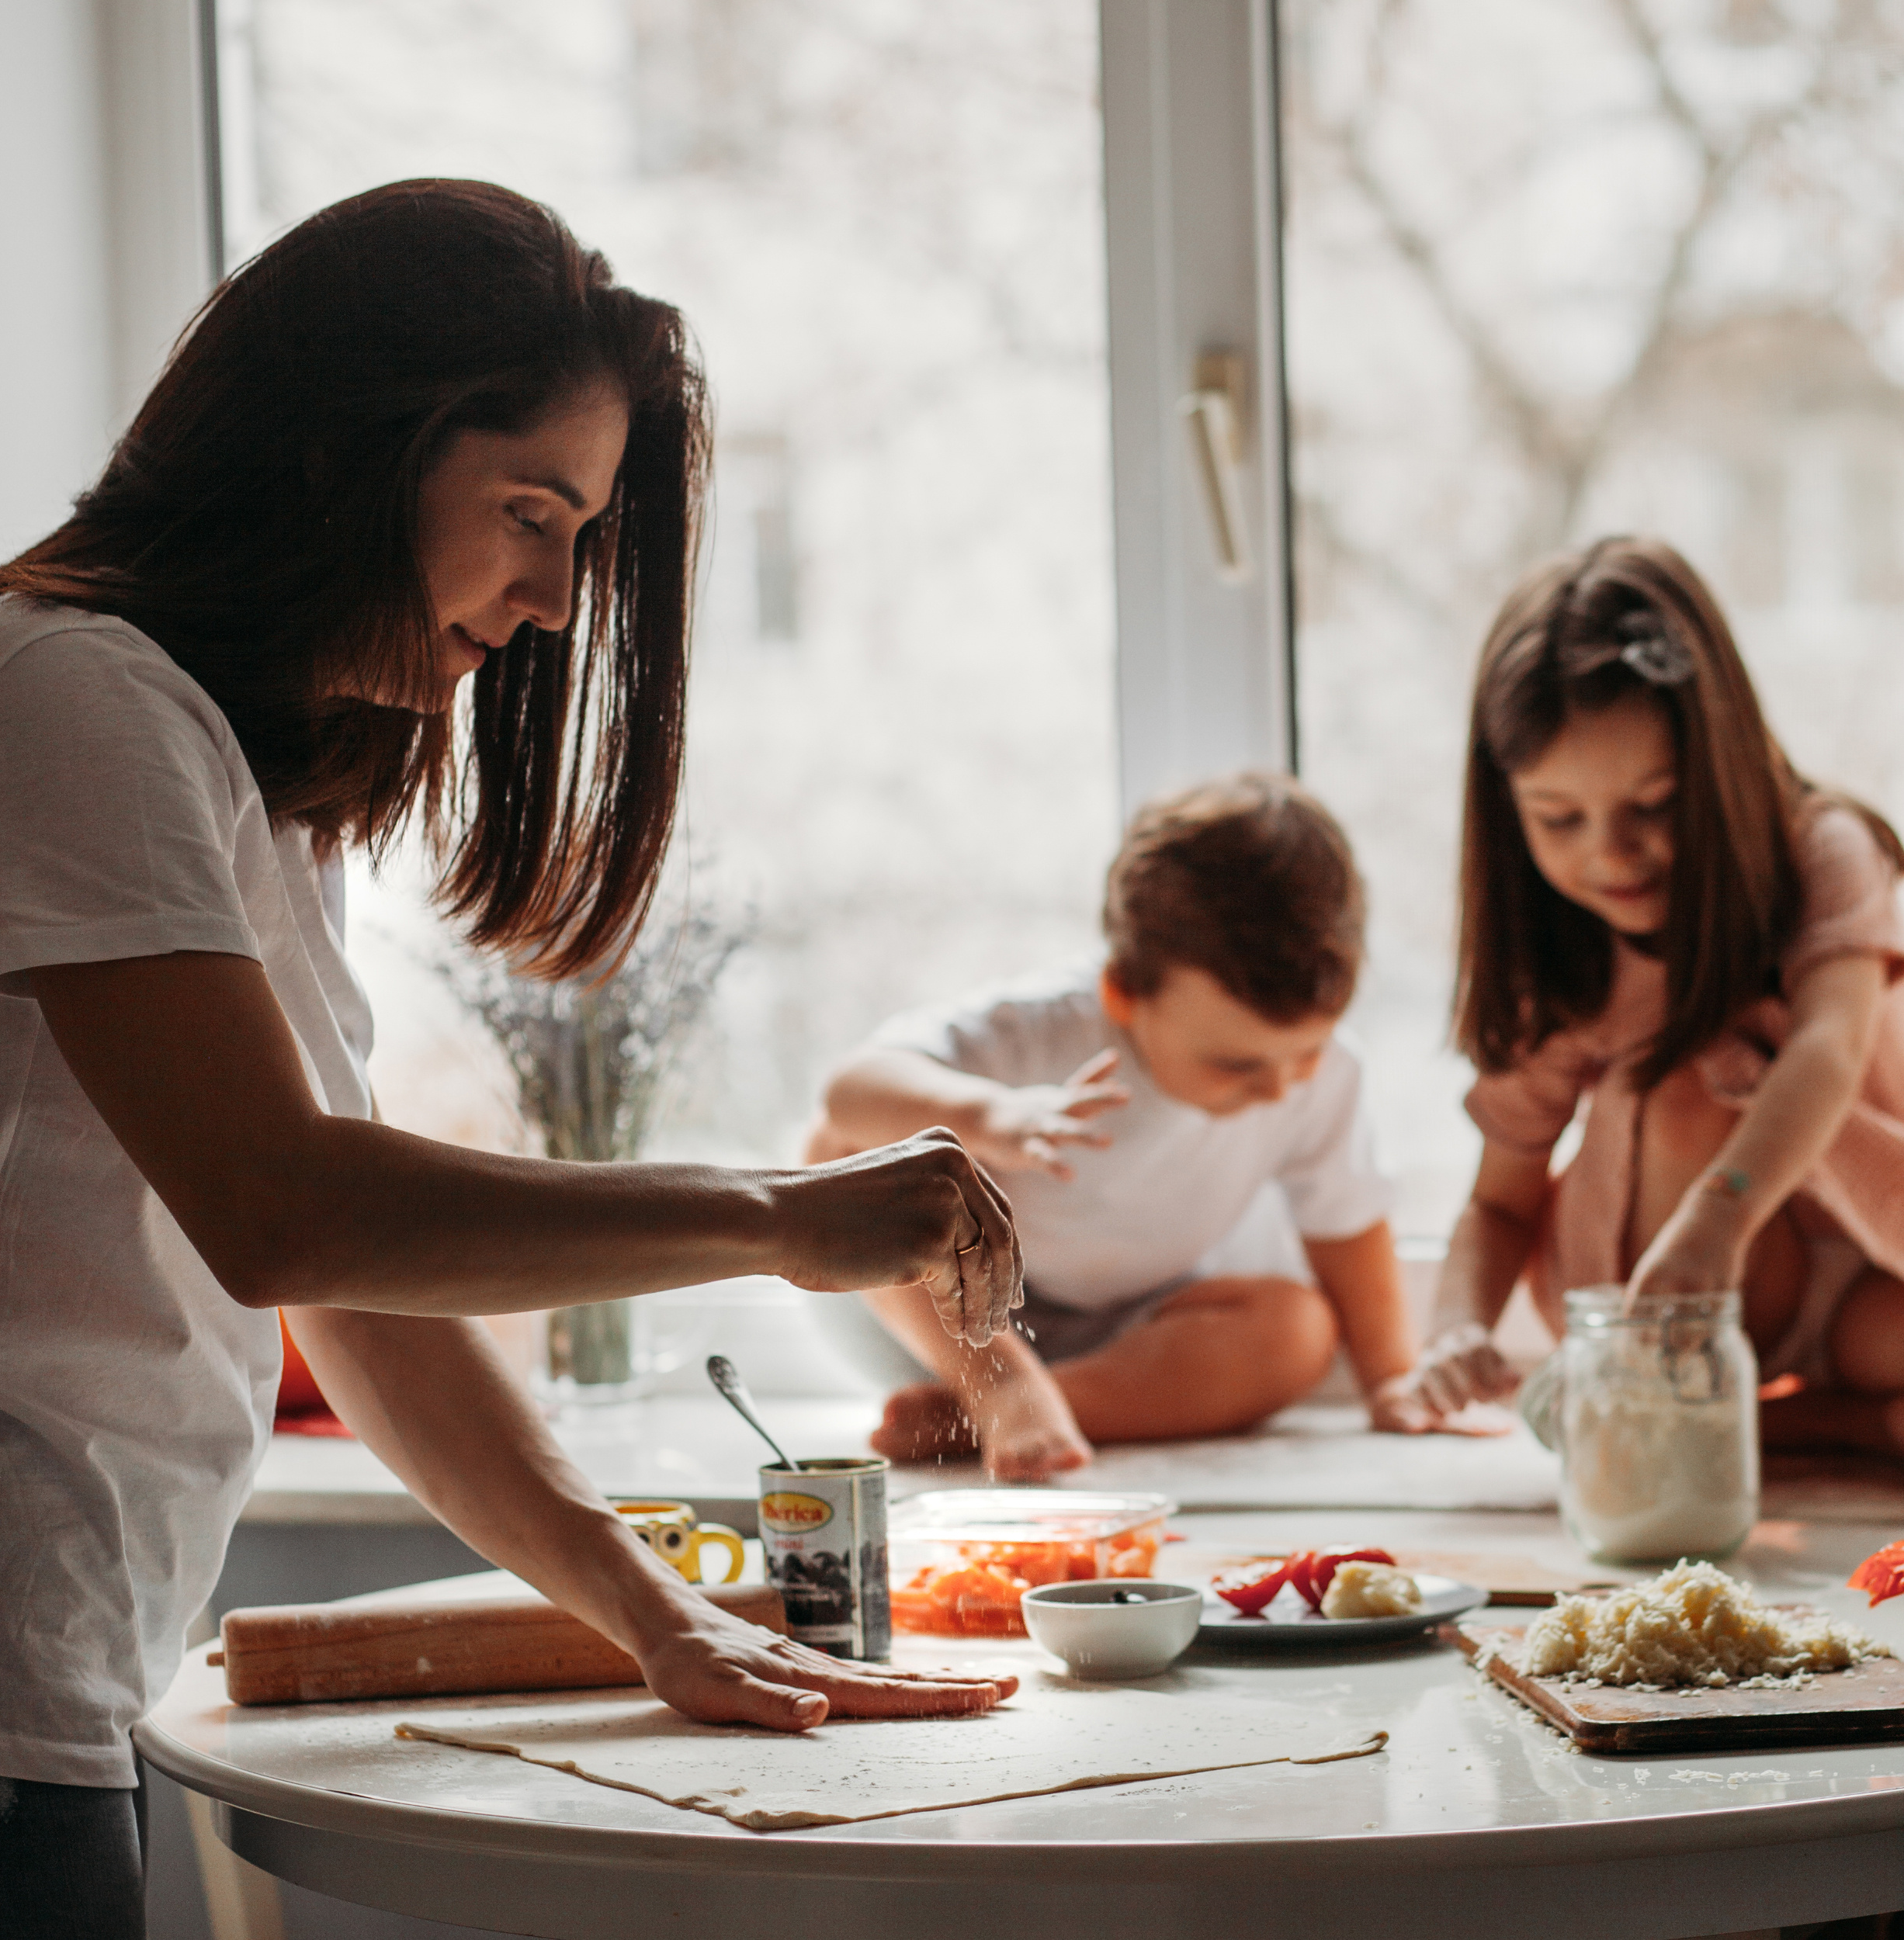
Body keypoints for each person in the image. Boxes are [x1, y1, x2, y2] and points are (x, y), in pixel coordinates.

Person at [0, 180, 1021, 1935]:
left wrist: (650, 1608)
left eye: (580, 536)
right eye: (528, 512)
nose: (548, 596)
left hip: (47, 1693)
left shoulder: (249, 787)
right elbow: (283, 1212)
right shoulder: (61, 693)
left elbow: (365, 1296)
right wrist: (776, 1217)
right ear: (342, 451)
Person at [1406, 535, 1904, 1456]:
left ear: (1719, 765)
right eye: (1559, 819)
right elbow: (1500, 1201)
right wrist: (1455, 1327)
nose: (1611, 853)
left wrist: (1721, 1216)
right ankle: (1740, 1417)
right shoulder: (1558, 948)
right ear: (1508, 808)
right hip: (1652, 1279)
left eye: (1656, 803)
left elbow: (1826, 1051)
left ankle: (1792, 1426)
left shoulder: (1823, 847)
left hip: (1854, 1246)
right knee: (1685, 1088)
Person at [807, 773, 1450, 1483]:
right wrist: (992, 1116)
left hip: (1134, 1336)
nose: (1278, 1086)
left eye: (1307, 1051)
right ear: (1124, 992)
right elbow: (847, 1089)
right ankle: (997, 1387)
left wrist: (1393, 1379)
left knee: (1299, 1331)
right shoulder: (1039, 1029)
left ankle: (1004, 1411)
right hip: (944, 1320)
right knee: (838, 1149)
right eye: (1235, 1063)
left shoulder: (1319, 1079)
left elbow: (1347, 1227)